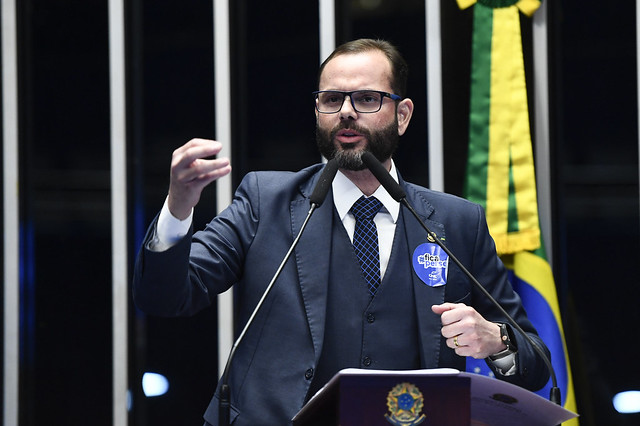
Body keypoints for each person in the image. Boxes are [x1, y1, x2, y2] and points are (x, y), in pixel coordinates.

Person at [133, 38, 550, 426]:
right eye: (332, 100)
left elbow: (536, 365)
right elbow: (166, 296)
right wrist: (179, 206)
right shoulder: (266, 201)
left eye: (367, 98)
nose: (346, 111)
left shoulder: (458, 222)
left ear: (402, 115)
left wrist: (496, 341)